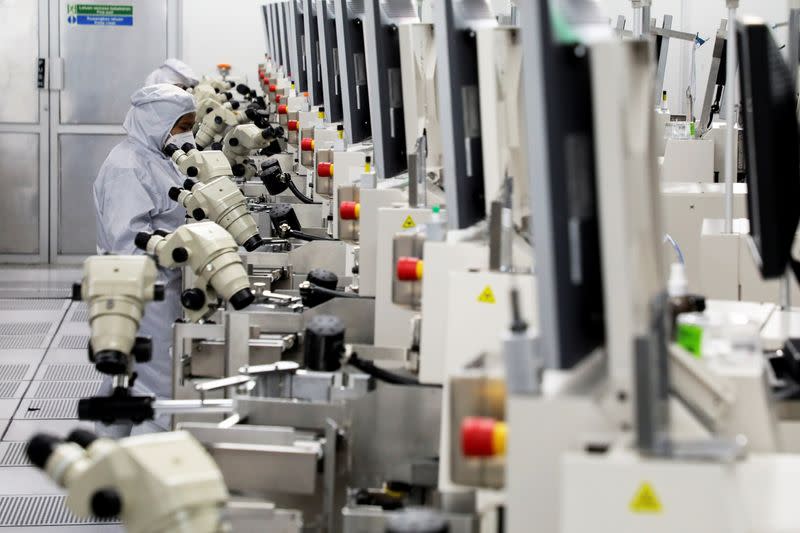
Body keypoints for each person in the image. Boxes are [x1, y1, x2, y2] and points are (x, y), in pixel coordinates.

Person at [93, 84, 197, 437]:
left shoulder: (155, 158)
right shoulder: (127, 167)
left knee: (128, 383)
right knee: (159, 390)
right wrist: (181, 255)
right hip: (143, 291)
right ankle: (148, 469)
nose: (187, 135)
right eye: (182, 126)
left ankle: (110, 460)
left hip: (159, 285)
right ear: (157, 122)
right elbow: (128, 244)